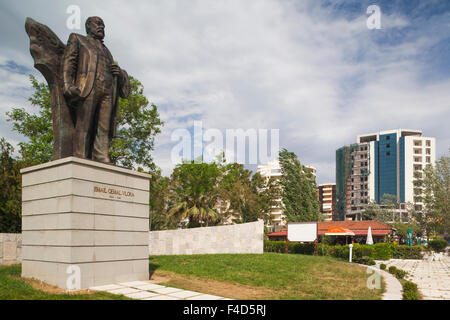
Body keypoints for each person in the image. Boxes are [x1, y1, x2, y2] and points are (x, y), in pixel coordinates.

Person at [62, 16, 130, 163]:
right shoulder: (78, 39)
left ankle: (101, 155)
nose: (101, 27)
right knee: (84, 124)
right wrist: (67, 84)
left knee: (103, 127)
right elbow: (69, 62)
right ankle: (80, 154)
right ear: (88, 26)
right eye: (98, 24)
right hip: (88, 87)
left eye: (103, 25)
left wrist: (119, 73)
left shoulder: (107, 51)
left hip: (107, 90)